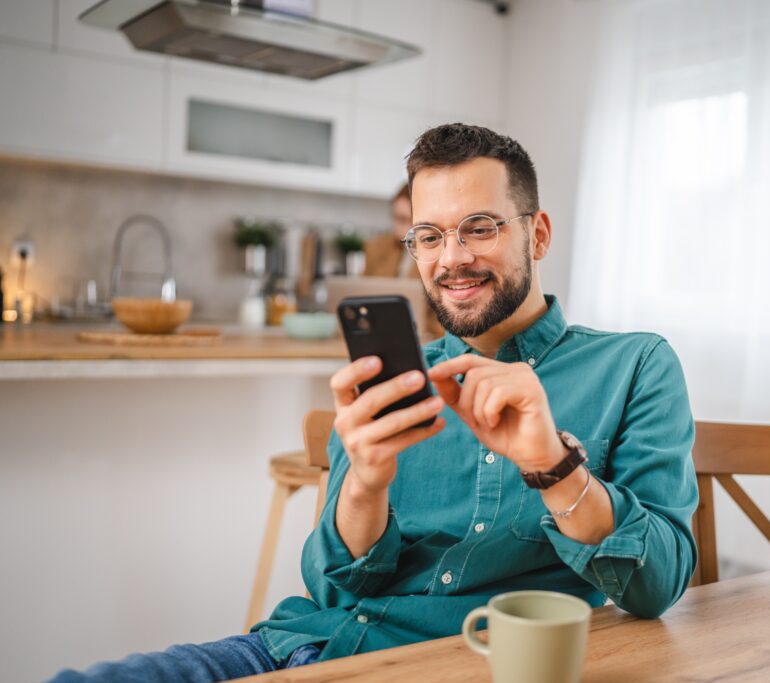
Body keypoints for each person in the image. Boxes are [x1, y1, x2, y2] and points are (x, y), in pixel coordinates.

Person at [51, 124, 699, 682]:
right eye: (429, 235)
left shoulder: (634, 365)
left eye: (479, 227)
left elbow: (657, 586)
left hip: (464, 662)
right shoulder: (390, 379)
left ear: (539, 234)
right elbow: (331, 589)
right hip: (298, 648)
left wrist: (554, 465)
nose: (453, 258)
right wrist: (365, 481)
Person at [362, 183, 444, 339]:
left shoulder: (440, 252)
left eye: (412, 221)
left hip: (427, 338)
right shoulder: (377, 248)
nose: (407, 228)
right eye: (399, 219)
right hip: (379, 334)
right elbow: (364, 295)